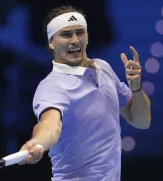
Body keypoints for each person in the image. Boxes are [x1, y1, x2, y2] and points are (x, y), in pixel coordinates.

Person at [18, 5, 151, 181]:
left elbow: (142, 121)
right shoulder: (52, 87)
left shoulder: (103, 68)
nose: (74, 40)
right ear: (51, 42)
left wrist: (135, 88)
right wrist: (37, 142)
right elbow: (50, 126)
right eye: (65, 34)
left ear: (87, 37)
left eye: (80, 32)